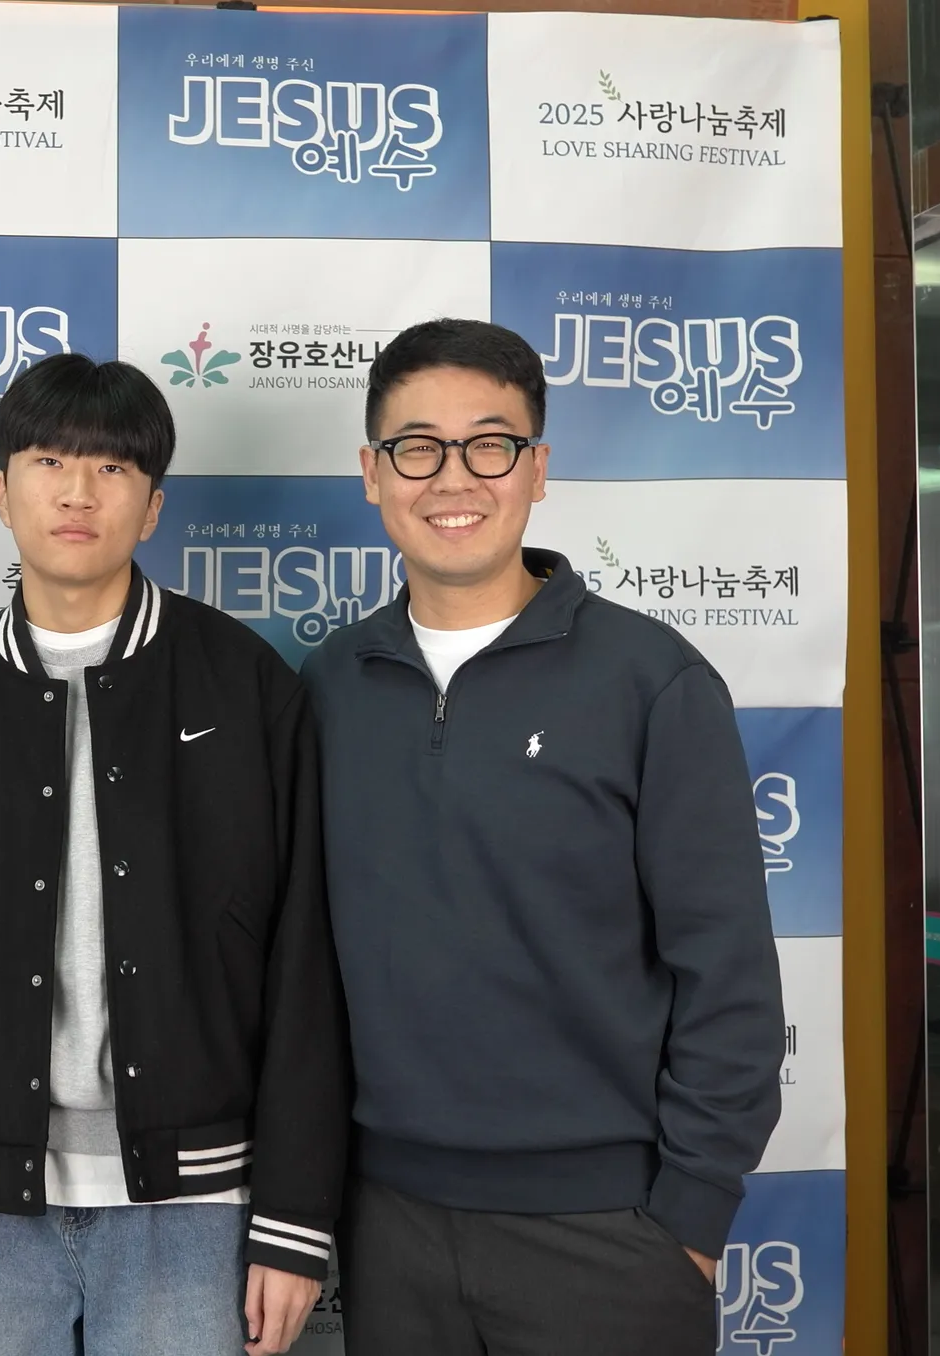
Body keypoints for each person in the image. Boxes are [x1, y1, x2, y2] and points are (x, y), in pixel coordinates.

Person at [299, 318, 785, 1355]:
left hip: (609, 1232)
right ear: (372, 474)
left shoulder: (649, 680)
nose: (452, 477)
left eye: (489, 444)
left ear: (537, 468)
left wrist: (688, 1219)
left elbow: (728, 970)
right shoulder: (329, 684)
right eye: (416, 448)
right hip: (388, 1226)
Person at [0, 354, 347, 1356]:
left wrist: (295, 1219)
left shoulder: (246, 685)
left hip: (195, 1193)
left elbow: (307, 958)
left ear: (153, 505)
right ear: (1, 492)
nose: (78, 492)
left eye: (111, 468)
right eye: (48, 461)